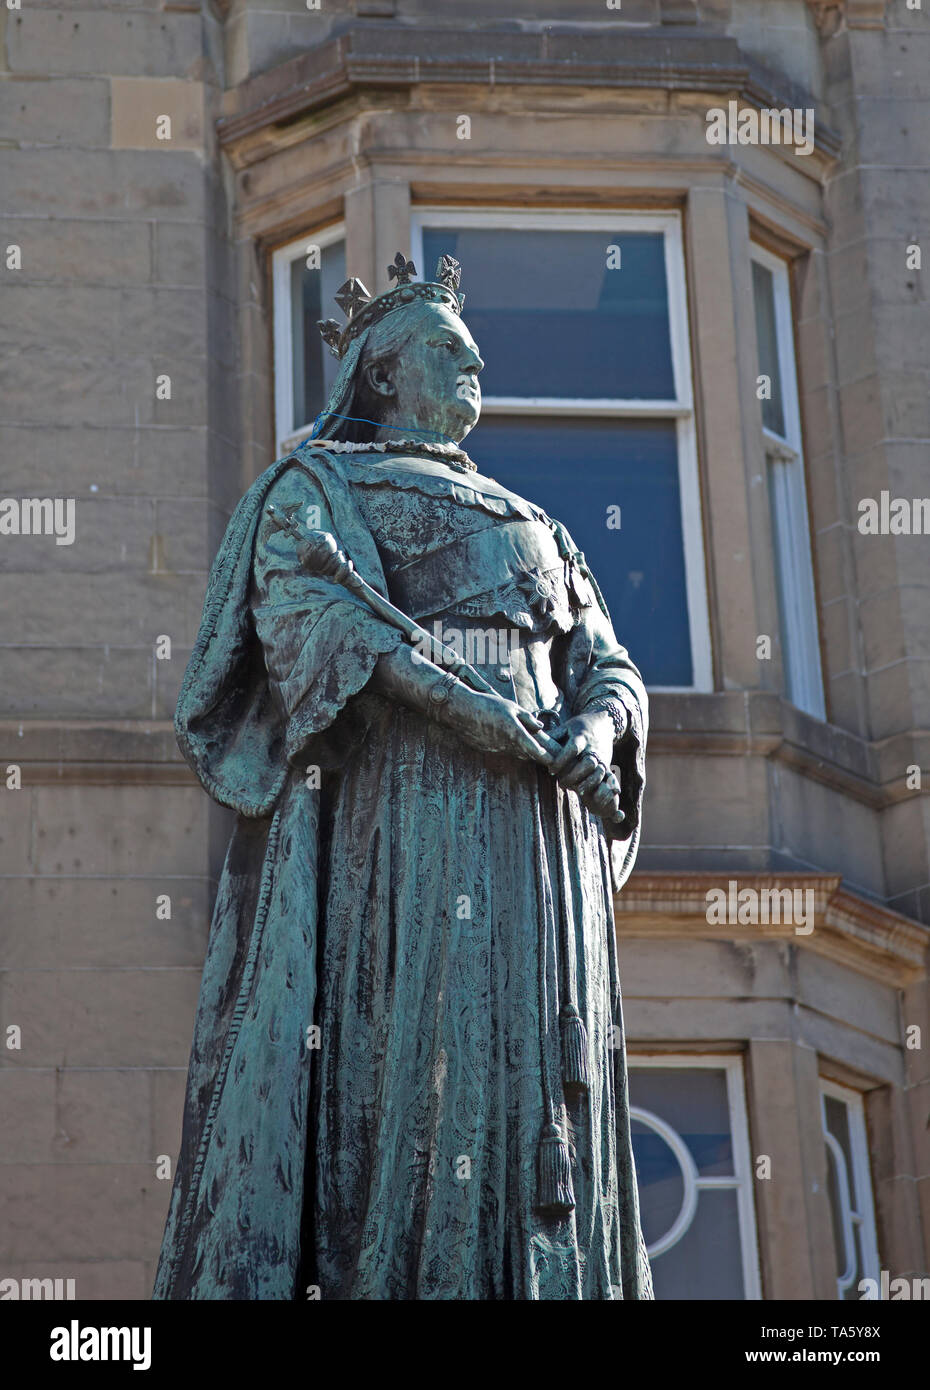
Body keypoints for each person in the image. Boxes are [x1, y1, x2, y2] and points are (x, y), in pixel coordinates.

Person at [153, 253, 653, 1300]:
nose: (474, 367)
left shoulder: (540, 525)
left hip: (541, 838)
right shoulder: (319, 490)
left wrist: (599, 733)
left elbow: (605, 663)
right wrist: (467, 709)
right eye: (446, 351)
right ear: (380, 375)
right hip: (411, 815)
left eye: (476, 356)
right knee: (418, 1074)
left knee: (542, 1091)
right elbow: (315, 628)